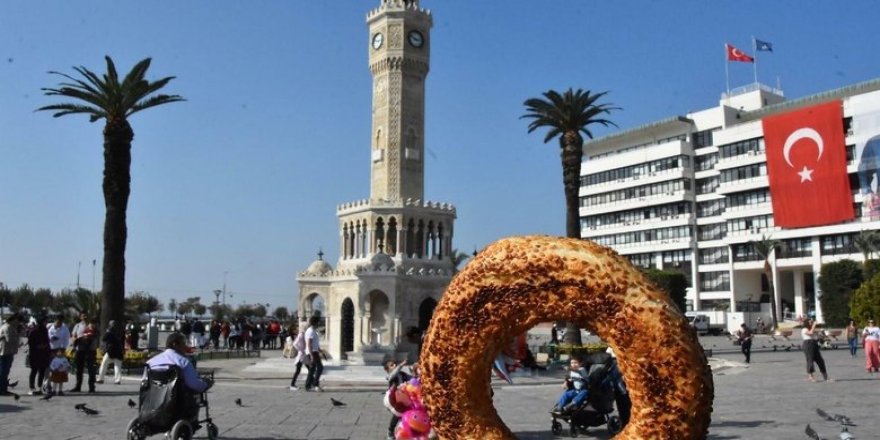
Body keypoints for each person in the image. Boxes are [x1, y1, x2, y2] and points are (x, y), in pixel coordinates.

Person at [145, 333, 213, 421]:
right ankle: (192, 421)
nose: (185, 346)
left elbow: (145, 381)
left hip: (154, 399)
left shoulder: (151, 362)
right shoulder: (183, 361)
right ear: (175, 344)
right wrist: (206, 384)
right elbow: (193, 384)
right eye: (183, 343)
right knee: (195, 394)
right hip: (176, 400)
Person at [384, 359, 414, 440]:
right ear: (387, 370)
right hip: (393, 400)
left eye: (395, 364)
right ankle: (390, 431)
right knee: (398, 413)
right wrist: (400, 365)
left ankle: (405, 432)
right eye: (391, 365)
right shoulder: (391, 376)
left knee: (408, 415)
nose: (394, 365)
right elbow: (394, 373)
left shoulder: (403, 374)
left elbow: (412, 379)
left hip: (404, 398)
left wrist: (414, 372)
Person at [70, 318, 98, 393]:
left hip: (91, 352)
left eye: (93, 324)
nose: (91, 325)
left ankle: (91, 387)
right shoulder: (80, 327)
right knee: (79, 370)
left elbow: (89, 338)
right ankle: (78, 386)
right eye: (91, 324)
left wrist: (81, 338)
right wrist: (74, 344)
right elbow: (75, 337)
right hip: (81, 351)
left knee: (91, 370)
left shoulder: (94, 331)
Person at [27, 315, 51, 395]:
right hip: (35, 354)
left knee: (42, 371)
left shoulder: (45, 330)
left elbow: (47, 341)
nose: (46, 323)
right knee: (34, 371)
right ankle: (31, 388)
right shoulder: (33, 331)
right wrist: (38, 346)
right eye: (45, 321)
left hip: (44, 354)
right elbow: (30, 343)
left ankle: (39, 387)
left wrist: (45, 346)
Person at [0, 314, 22, 396]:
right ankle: (2, 390)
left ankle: (4, 389)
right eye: (17, 321)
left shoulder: (10, 327)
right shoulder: (7, 327)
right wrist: (17, 339)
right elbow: (9, 339)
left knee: (5, 371)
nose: (18, 323)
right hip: (5, 352)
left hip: (8, 351)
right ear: (13, 320)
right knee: (3, 371)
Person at [97, 320, 124, 384]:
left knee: (104, 363)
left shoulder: (109, 331)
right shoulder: (121, 331)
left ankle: (101, 378)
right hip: (118, 351)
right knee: (117, 365)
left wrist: (107, 332)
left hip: (111, 350)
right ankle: (117, 380)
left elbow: (104, 338)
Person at [303, 316, 324, 392]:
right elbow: (309, 343)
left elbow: (314, 343)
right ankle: (315, 384)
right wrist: (311, 355)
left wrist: (319, 349)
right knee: (320, 368)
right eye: (318, 322)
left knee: (312, 370)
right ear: (315, 322)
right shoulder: (311, 331)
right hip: (312, 352)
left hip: (314, 351)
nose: (319, 323)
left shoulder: (312, 330)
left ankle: (308, 385)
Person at [288, 323, 307, 391]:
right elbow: (295, 344)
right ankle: (292, 385)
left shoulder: (303, 334)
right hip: (301, 355)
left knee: (310, 369)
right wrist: (301, 349)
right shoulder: (301, 334)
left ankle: (311, 382)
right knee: (298, 371)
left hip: (304, 355)